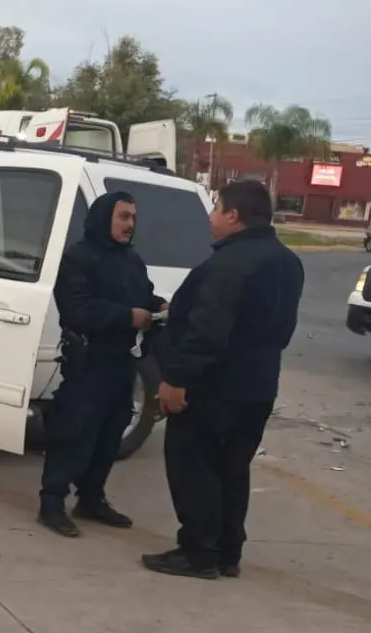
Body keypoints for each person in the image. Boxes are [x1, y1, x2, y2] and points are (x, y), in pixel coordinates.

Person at [142, 179, 304, 579]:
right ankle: (227, 553)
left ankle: (198, 552)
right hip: (258, 386)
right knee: (232, 470)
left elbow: (207, 330)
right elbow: (282, 330)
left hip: (213, 387)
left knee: (195, 468)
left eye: (216, 208)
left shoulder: (229, 264)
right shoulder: (287, 262)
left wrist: (176, 378)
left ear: (234, 216)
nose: (211, 217)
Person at [38, 190, 167, 537]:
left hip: (122, 364)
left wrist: (159, 306)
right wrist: (127, 316)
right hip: (88, 364)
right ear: (103, 217)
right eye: (123, 216)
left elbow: (143, 295)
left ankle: (91, 498)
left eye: (133, 218)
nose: (130, 224)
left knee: (110, 435)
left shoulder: (131, 259)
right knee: (73, 434)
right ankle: (52, 503)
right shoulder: (79, 258)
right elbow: (76, 309)